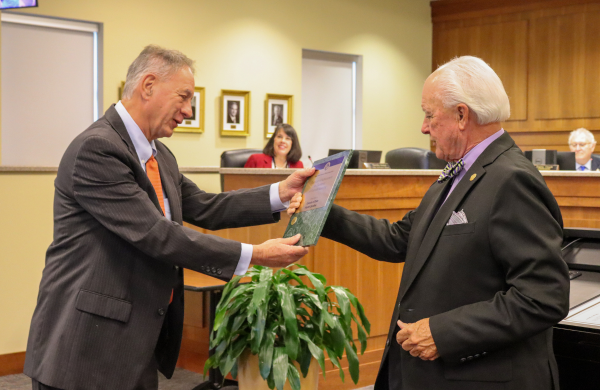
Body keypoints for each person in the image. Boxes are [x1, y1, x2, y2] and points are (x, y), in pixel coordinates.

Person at [24, 45, 314, 390]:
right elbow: (157, 234)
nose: (188, 111)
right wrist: (256, 256)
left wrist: (278, 193)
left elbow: (205, 206)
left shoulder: (160, 154)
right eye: (184, 97)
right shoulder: (98, 149)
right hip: (85, 346)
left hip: (135, 339)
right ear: (148, 85)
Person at [289, 56, 570, 390]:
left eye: (429, 114)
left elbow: (543, 296)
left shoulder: (511, 180)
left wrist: (443, 333)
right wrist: (322, 211)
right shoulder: (458, 171)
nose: (424, 127)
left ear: (462, 115)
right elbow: (398, 239)